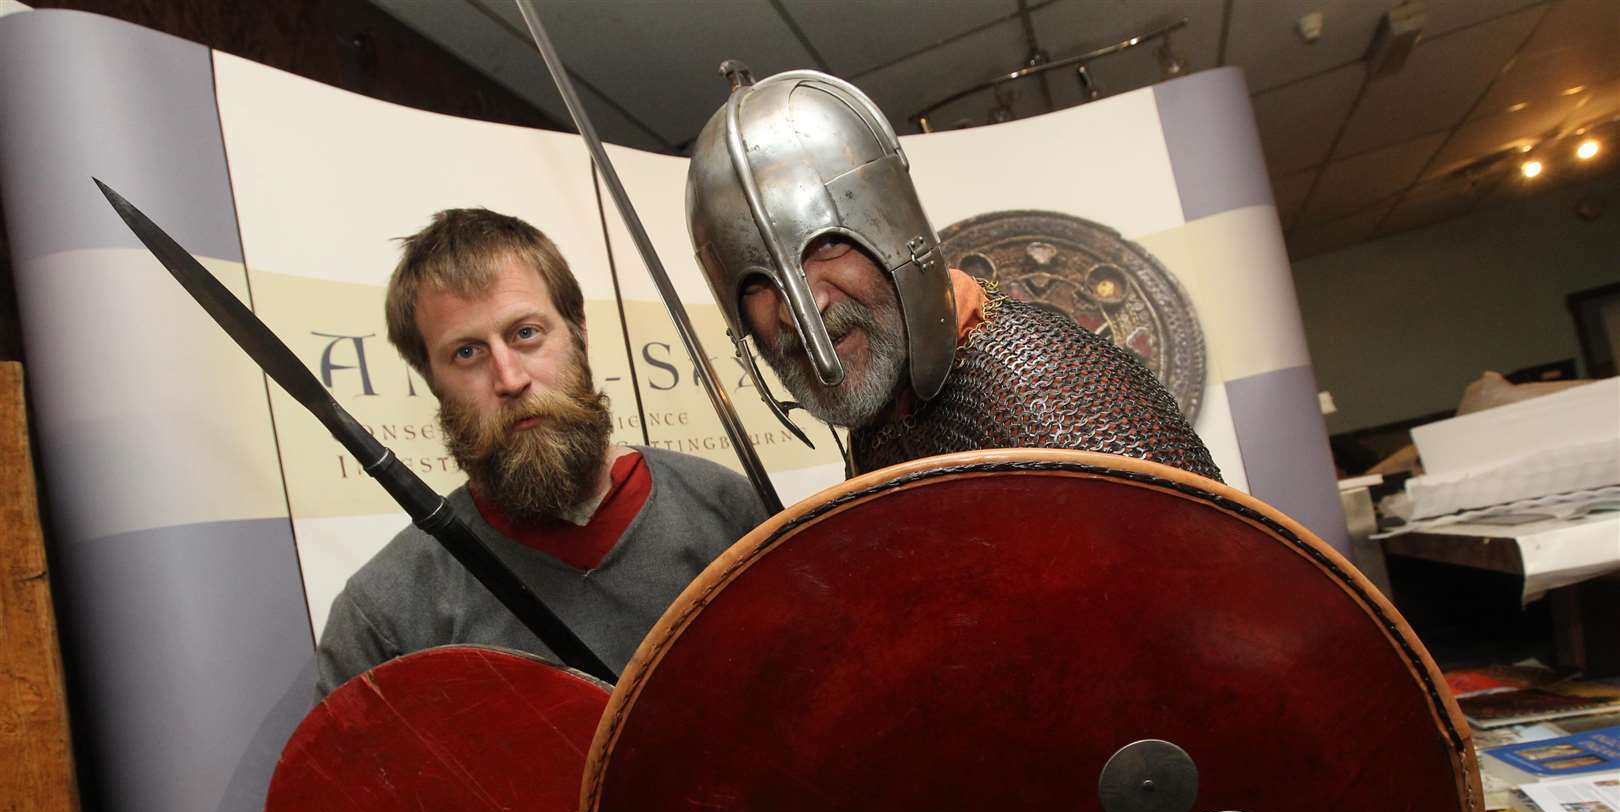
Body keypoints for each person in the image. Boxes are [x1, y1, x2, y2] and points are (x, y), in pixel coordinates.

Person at [686, 66, 1221, 481]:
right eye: (758, 282)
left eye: (826, 246)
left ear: (892, 230)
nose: (803, 307)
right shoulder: (887, 411)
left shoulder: (1040, 389)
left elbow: (1217, 597)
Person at [314, 209, 766, 697]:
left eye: (525, 333)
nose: (510, 379)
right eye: (467, 352)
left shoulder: (725, 512)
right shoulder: (384, 618)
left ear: (579, 333)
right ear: (430, 380)